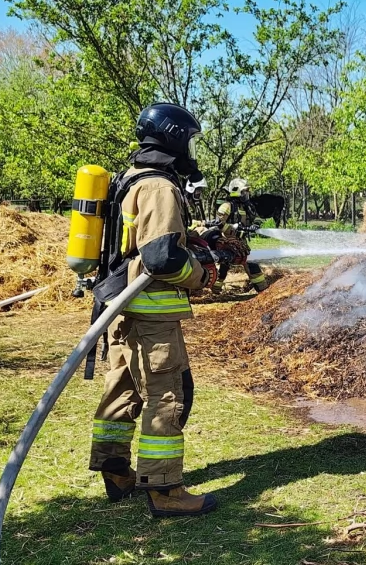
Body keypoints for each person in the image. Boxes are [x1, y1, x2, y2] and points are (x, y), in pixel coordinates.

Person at [89, 102, 220, 518]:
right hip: (150, 314)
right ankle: (165, 490)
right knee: (167, 395)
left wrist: (193, 238)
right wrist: (200, 275)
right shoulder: (160, 186)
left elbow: (140, 240)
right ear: (175, 136)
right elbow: (162, 258)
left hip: (119, 309)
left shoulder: (131, 176)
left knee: (121, 388)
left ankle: (115, 470)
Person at [208, 178, 271, 293]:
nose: (247, 194)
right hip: (227, 242)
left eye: (247, 191)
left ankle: (263, 290)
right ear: (236, 191)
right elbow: (219, 223)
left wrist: (255, 225)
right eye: (244, 191)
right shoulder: (227, 206)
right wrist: (235, 230)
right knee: (224, 267)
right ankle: (215, 291)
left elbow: (255, 217)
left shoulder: (247, 206)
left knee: (252, 265)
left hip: (241, 242)